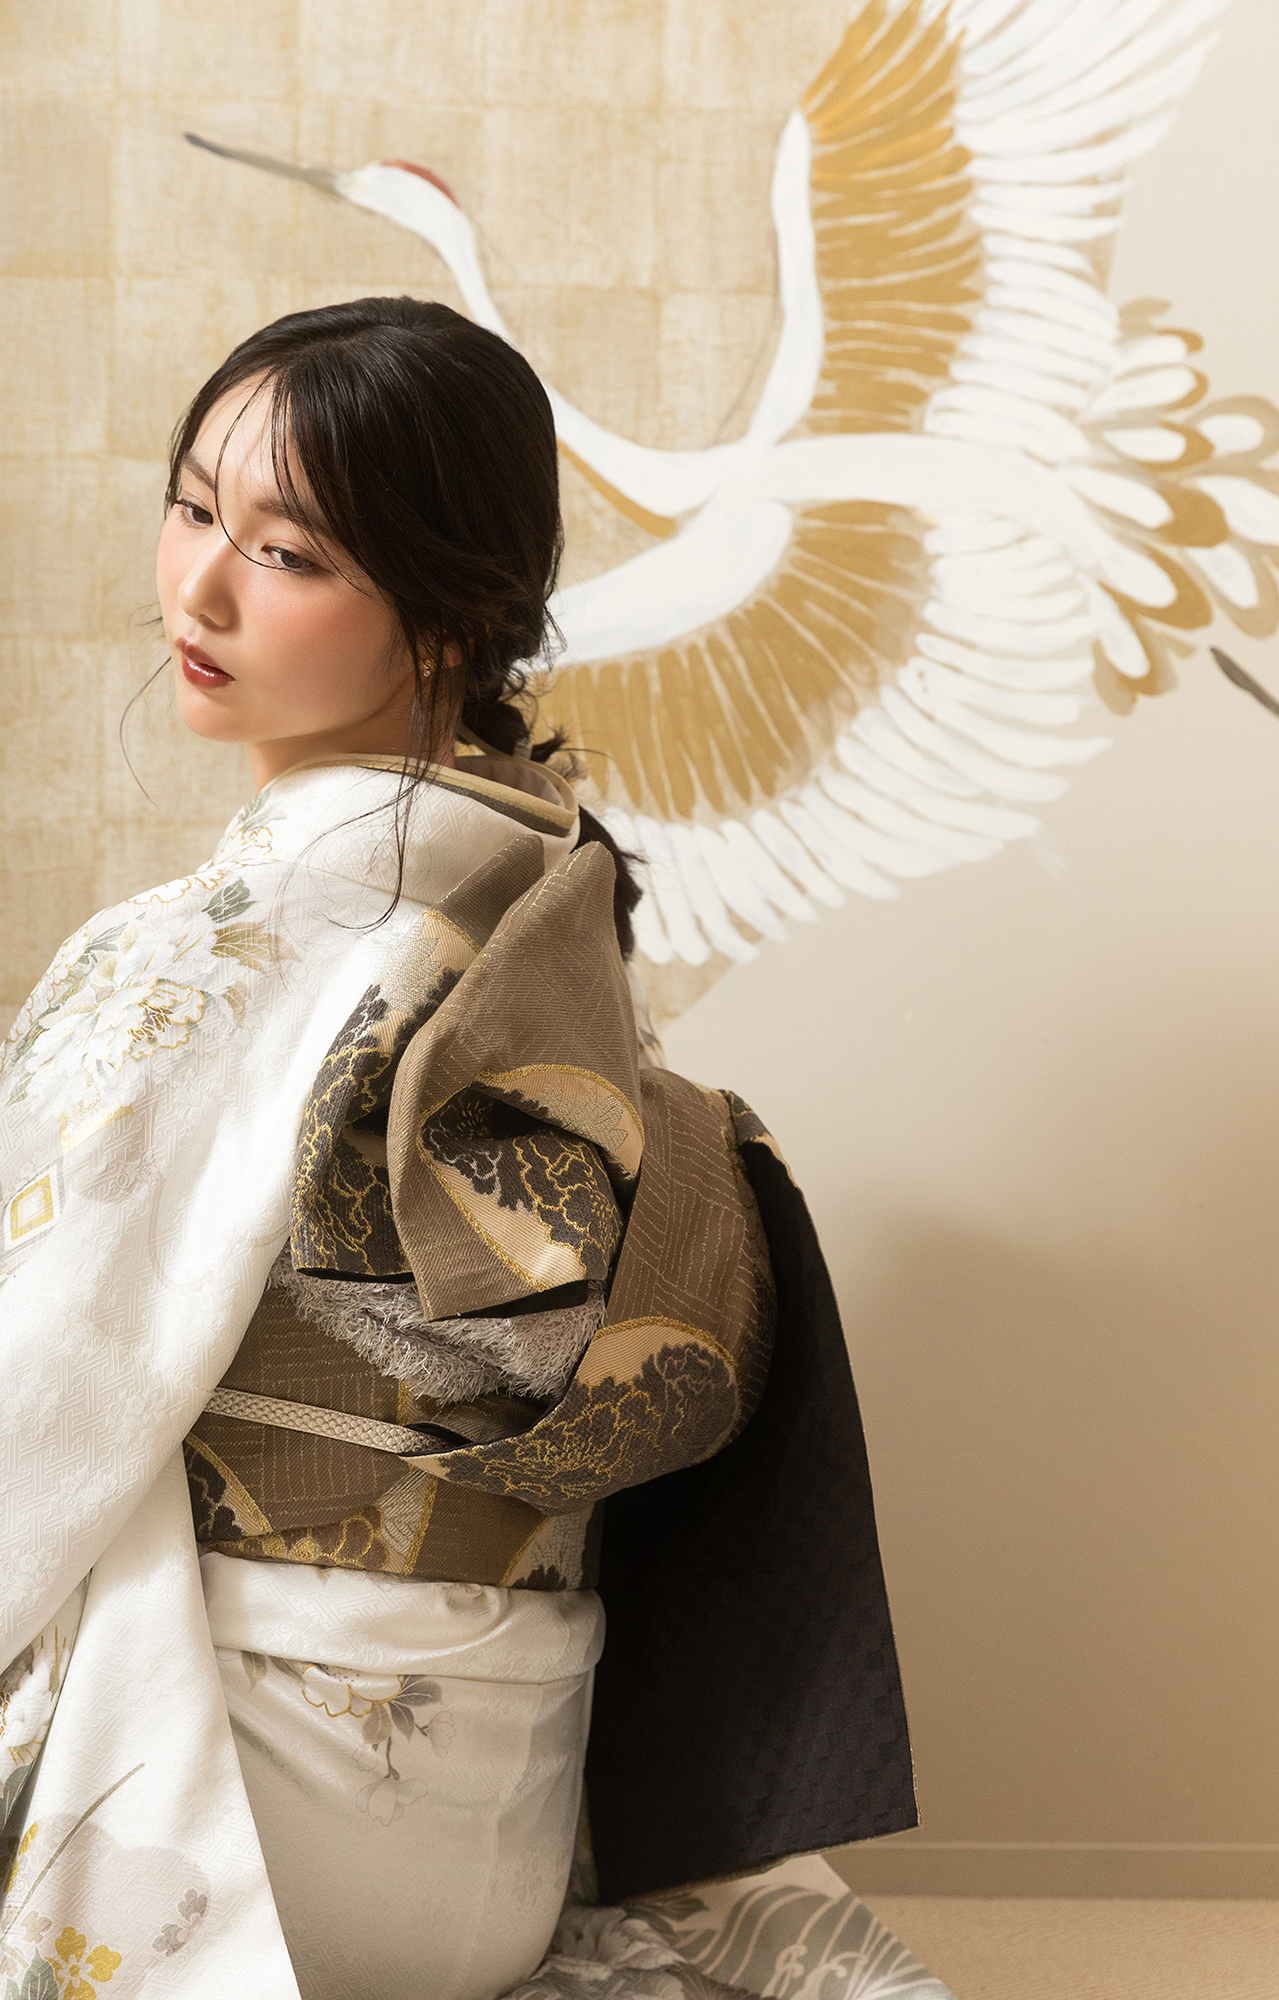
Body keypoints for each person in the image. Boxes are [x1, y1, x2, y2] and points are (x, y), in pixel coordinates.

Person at [0, 298, 923, 2000]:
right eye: (192, 508)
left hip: (244, 1814)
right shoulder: (539, 914)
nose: (199, 591)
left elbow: (36, 1385)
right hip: (490, 1827)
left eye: (287, 553)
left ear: (450, 615)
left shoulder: (219, 946)